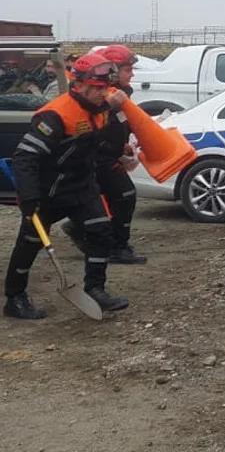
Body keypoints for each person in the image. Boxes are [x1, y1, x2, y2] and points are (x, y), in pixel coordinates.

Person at [4, 53, 130, 319]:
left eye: (105, 88)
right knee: (30, 243)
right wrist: (27, 197)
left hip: (81, 185)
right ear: (78, 84)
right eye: (97, 88)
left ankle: (95, 289)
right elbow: (25, 157)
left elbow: (98, 143)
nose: (102, 93)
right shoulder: (55, 115)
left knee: (101, 231)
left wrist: (120, 152)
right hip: (48, 190)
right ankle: (15, 298)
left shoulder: (101, 109)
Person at [62, 45, 146, 264]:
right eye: (128, 70)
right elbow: (91, 121)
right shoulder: (104, 97)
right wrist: (109, 105)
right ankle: (116, 246)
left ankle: (83, 229)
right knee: (124, 195)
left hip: (109, 154)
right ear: (115, 71)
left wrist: (124, 145)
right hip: (98, 157)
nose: (133, 74)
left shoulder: (120, 95)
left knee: (111, 198)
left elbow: (118, 125)